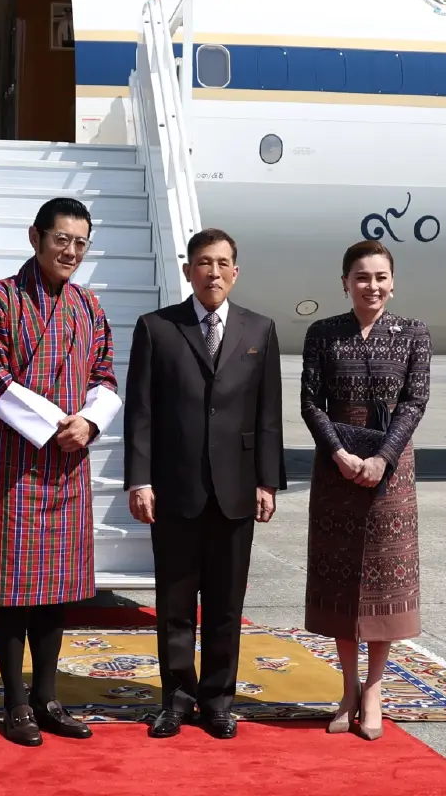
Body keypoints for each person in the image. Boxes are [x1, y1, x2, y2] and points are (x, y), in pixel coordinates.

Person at [0, 197, 122, 747]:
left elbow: (105, 376)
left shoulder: (88, 305)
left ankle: (47, 697)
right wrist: (58, 423)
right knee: (12, 589)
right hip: (17, 462)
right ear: (35, 237)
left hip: (69, 464)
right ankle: (14, 703)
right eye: (62, 240)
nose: (71, 252)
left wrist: (91, 425)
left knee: (57, 590)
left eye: (81, 242)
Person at [123, 227, 286, 740]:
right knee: (174, 604)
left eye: (222, 263)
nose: (213, 272)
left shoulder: (259, 330)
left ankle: (218, 699)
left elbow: (268, 415)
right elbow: (141, 413)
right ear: (189, 269)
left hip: (236, 489)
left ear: (235, 271)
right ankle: (176, 698)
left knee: (225, 604)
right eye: (203, 263)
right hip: (175, 489)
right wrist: (139, 480)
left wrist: (267, 481)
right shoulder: (157, 328)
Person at [300, 239, 431, 741]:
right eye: (361, 277)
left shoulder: (414, 334)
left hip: (391, 472)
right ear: (345, 283)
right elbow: (312, 403)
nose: (371, 286)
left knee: (384, 578)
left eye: (379, 277)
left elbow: (415, 403)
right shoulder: (324, 334)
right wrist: (340, 455)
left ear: (392, 282)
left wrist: (382, 459)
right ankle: (348, 688)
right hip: (336, 467)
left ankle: (375, 688)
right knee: (341, 575)